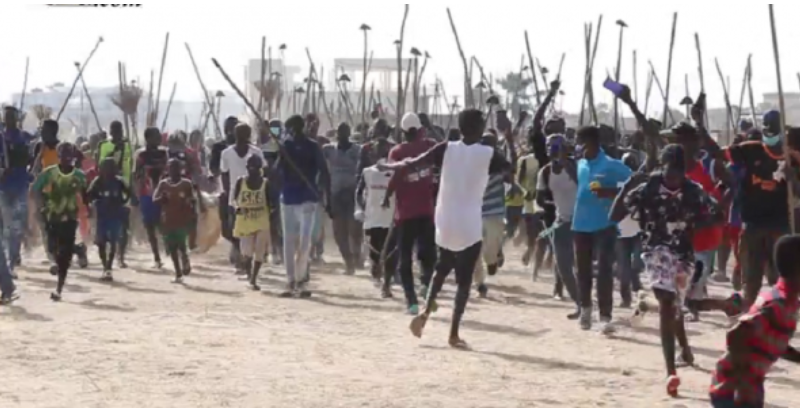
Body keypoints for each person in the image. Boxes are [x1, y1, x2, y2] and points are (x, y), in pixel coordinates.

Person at [380, 109, 513, 349]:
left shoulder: (446, 148)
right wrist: (510, 138)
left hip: (445, 221)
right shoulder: (488, 153)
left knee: (442, 268)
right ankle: (453, 333)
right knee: (463, 281)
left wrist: (391, 165)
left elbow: (413, 163)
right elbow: (510, 170)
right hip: (470, 222)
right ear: (479, 128)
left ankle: (424, 314)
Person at [611, 144, 721, 397]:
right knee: (667, 303)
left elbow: (717, 214)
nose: (673, 178)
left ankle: (685, 348)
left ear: (684, 171)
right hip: (655, 252)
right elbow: (615, 215)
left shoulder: (694, 191)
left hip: (683, 255)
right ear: (662, 168)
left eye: (678, 173)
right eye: (669, 172)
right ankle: (671, 371)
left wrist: (692, 221)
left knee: (675, 305)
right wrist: (628, 186)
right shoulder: (647, 188)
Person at [709, 235, 800, 408]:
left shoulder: (786, 299)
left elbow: (770, 341)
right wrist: (744, 382)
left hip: (745, 386)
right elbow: (736, 335)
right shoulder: (779, 303)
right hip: (732, 390)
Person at [726, 110, 800, 308]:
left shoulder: (791, 155)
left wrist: (789, 179)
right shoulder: (749, 150)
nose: (771, 134)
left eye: (775, 130)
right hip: (753, 225)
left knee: (780, 281)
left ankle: (779, 328)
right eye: (768, 130)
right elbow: (727, 158)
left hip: (780, 226)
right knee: (750, 283)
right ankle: (747, 324)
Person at [383, 113, 438, 315]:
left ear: (403, 132)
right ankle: (426, 285)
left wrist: (386, 196)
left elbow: (396, 177)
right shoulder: (429, 146)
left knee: (405, 259)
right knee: (428, 255)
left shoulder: (396, 152)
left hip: (405, 214)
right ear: (420, 129)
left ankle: (412, 302)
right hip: (426, 212)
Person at [276, 115, 331, 298]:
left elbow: (324, 171)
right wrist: (282, 155)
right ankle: (290, 280)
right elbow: (276, 171)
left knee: (305, 240)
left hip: (307, 198)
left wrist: (324, 195)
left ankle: (300, 280)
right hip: (288, 199)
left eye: (290, 128)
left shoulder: (312, 146)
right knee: (289, 241)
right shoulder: (286, 146)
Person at [31, 142, 88, 302]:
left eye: (69, 156)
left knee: (64, 257)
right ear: (59, 156)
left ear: (73, 157)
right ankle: (79, 249)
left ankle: (58, 289)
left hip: (70, 218)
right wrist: (40, 206)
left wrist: (87, 208)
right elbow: (35, 189)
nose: (66, 159)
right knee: (52, 248)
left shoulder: (79, 176)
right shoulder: (49, 173)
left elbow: (85, 195)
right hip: (52, 217)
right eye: (63, 155)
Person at [536, 134, 581, 319]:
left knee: (581, 267)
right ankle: (580, 304)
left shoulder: (575, 167)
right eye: (549, 146)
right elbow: (540, 198)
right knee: (563, 268)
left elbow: (582, 185)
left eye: (555, 146)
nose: (551, 149)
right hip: (561, 223)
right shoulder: (545, 172)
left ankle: (589, 305)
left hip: (581, 223)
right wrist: (547, 205)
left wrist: (564, 161)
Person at [473, 131, 518, 298]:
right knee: (474, 251)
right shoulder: (473, 164)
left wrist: (511, 143)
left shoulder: (500, 165)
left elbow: (512, 171)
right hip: (474, 213)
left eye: (491, 144)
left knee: (489, 251)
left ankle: (492, 259)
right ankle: (479, 284)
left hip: (495, 214)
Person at [221, 123, 266, 274]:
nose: (242, 136)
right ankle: (241, 257)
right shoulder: (226, 153)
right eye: (239, 133)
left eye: (244, 133)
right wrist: (229, 194)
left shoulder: (256, 152)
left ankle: (246, 259)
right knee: (235, 229)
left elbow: (263, 172)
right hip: (235, 196)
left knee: (252, 228)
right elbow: (224, 175)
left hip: (254, 197)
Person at [356, 141, 397, 298]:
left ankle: (387, 283)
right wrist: (359, 208)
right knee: (375, 249)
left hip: (390, 219)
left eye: (385, 151)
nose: (381, 154)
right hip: (372, 218)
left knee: (390, 251)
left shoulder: (395, 172)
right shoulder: (367, 172)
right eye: (378, 151)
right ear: (372, 154)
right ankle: (376, 268)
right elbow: (358, 192)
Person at [322, 122, 363, 274]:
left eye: (345, 133)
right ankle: (348, 261)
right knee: (339, 232)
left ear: (349, 134)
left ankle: (357, 256)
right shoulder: (329, 150)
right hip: (336, 195)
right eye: (340, 133)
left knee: (355, 230)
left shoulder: (358, 150)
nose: (342, 136)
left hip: (353, 194)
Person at [153, 159, 200, 283]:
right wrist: (161, 199)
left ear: (181, 169)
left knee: (181, 245)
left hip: (182, 220)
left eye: (176, 167)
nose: (174, 170)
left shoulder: (186, 184)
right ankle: (178, 272)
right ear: (167, 169)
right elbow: (155, 199)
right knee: (172, 247)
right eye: (171, 167)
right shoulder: (163, 184)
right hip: (167, 220)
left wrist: (192, 212)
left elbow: (193, 200)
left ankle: (185, 259)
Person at [86, 157, 131, 282]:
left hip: (115, 215)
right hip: (102, 216)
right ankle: (105, 265)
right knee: (101, 242)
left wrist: (123, 202)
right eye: (106, 167)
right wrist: (94, 202)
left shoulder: (119, 181)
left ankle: (108, 267)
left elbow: (129, 193)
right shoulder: (98, 181)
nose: (108, 170)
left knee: (113, 241)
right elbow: (89, 195)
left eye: (111, 167)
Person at [1, 106, 33, 275]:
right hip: (3, 187)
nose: (10, 120)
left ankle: (11, 263)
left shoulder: (24, 137)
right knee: (7, 227)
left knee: (16, 227)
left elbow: (31, 158)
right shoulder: (1, 137)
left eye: (12, 116)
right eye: (7, 116)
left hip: (20, 186)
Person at [97, 121, 134, 268]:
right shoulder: (104, 145)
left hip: (123, 187)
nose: (117, 133)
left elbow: (131, 167)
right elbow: (100, 165)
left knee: (124, 224)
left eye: (119, 130)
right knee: (106, 223)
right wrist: (115, 152)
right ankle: (105, 251)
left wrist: (131, 188)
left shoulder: (127, 146)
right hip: (107, 187)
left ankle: (121, 256)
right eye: (114, 130)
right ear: (110, 131)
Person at [232, 156, 272, 291]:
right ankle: (249, 275)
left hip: (261, 220)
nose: (251, 170)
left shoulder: (266, 184)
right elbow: (234, 200)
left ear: (260, 168)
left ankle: (254, 279)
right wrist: (237, 208)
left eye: (254, 167)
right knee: (247, 252)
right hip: (245, 220)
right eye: (249, 167)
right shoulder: (240, 182)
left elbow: (272, 204)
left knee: (259, 252)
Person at [133, 127, 169, 268]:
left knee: (164, 224)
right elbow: (136, 176)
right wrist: (136, 194)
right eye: (156, 136)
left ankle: (168, 250)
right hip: (146, 194)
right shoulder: (141, 155)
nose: (159, 138)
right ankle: (157, 257)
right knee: (149, 226)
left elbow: (168, 171)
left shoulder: (163, 153)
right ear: (148, 138)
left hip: (163, 193)